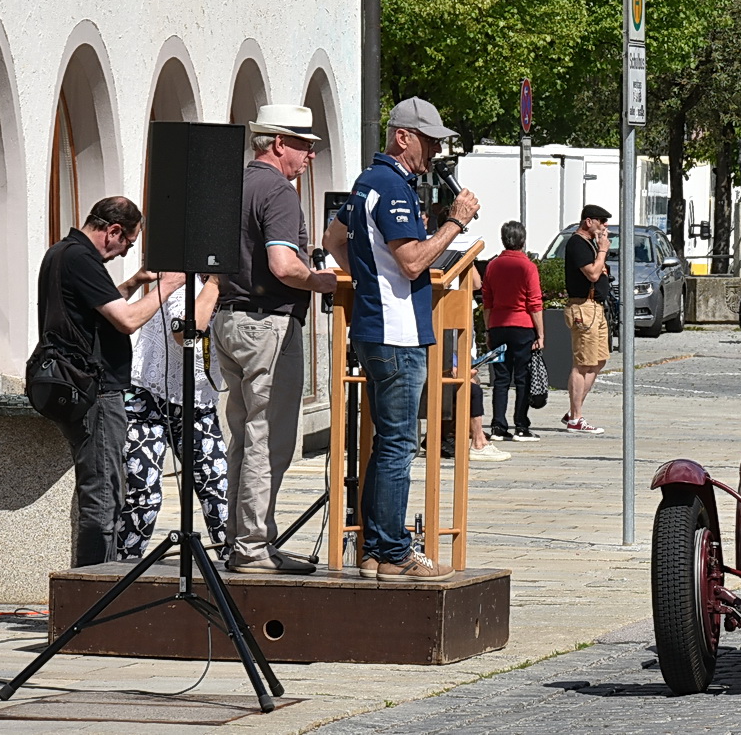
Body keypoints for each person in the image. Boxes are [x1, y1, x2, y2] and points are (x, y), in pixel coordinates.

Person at [325, 97, 480, 583]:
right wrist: (455, 222)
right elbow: (413, 261)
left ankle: (374, 550)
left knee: (386, 445)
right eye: (429, 140)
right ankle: (394, 553)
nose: (435, 150)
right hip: (397, 333)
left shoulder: (368, 184)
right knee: (397, 446)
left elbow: (334, 241)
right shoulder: (391, 185)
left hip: (377, 328)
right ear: (402, 136)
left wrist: (368, 283)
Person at [212, 105, 338, 576]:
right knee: (269, 441)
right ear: (279, 143)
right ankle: (251, 548)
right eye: (305, 145)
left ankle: (242, 540)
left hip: (229, 320)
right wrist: (321, 280)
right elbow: (284, 266)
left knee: (244, 439)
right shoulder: (279, 192)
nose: (309, 155)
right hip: (267, 323)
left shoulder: (235, 184)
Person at [37, 197, 183, 567]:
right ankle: (92, 595)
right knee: (104, 496)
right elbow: (128, 321)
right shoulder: (82, 259)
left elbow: (97, 310)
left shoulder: (62, 252)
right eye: (127, 245)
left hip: (78, 385)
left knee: (102, 489)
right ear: (113, 230)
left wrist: (134, 283)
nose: (123, 253)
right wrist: (166, 287)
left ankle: (91, 588)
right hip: (96, 392)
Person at [120, 275, 228, 560]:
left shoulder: (239, 289)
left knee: (220, 494)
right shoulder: (183, 279)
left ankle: (236, 577)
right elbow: (186, 332)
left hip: (199, 403)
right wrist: (215, 283)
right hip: (147, 399)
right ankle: (122, 572)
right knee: (144, 496)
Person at [482, 220, 545, 442]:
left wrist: (488, 330)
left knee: (500, 378)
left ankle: (498, 425)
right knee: (522, 377)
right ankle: (521, 425)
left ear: (503, 239)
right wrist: (541, 333)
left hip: (498, 324)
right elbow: (534, 303)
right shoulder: (528, 267)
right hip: (522, 326)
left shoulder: (492, 266)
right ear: (523, 240)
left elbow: (487, 302)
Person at [562, 205, 613, 434]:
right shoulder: (577, 243)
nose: (605, 225)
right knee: (582, 363)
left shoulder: (590, 243)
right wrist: (602, 251)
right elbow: (592, 273)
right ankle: (576, 418)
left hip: (596, 306)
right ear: (588, 221)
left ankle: (574, 408)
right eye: (601, 221)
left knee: (599, 359)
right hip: (583, 307)